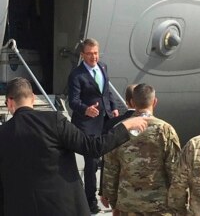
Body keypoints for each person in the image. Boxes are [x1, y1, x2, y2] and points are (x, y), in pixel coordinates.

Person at [0, 77, 148, 216]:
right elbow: (93, 148)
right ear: (33, 97)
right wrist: (125, 126)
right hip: (63, 208)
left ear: (10, 102)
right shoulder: (55, 121)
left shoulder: (3, 133)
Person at [102, 83, 181, 216]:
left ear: (132, 102)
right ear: (154, 102)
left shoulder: (119, 129)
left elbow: (111, 167)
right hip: (158, 205)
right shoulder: (165, 130)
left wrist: (112, 199)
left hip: (127, 204)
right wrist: (178, 202)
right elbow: (174, 169)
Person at [68, 38, 119, 213]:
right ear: (83, 55)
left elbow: (107, 91)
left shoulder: (103, 67)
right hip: (87, 124)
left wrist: (114, 108)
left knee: (107, 159)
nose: (94, 57)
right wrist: (86, 109)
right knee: (91, 163)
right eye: (89, 54)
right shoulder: (77, 75)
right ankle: (90, 200)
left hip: (104, 120)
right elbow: (73, 101)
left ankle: (106, 193)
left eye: (96, 53)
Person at [100, 84, 137, 214]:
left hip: (123, 194)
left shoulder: (113, 125)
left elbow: (107, 160)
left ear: (127, 102)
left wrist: (104, 191)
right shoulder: (161, 127)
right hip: (154, 198)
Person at [29, 0, 54, 93]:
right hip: (39, 22)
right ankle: (45, 84)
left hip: (51, 24)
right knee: (42, 55)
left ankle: (50, 86)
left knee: (50, 55)